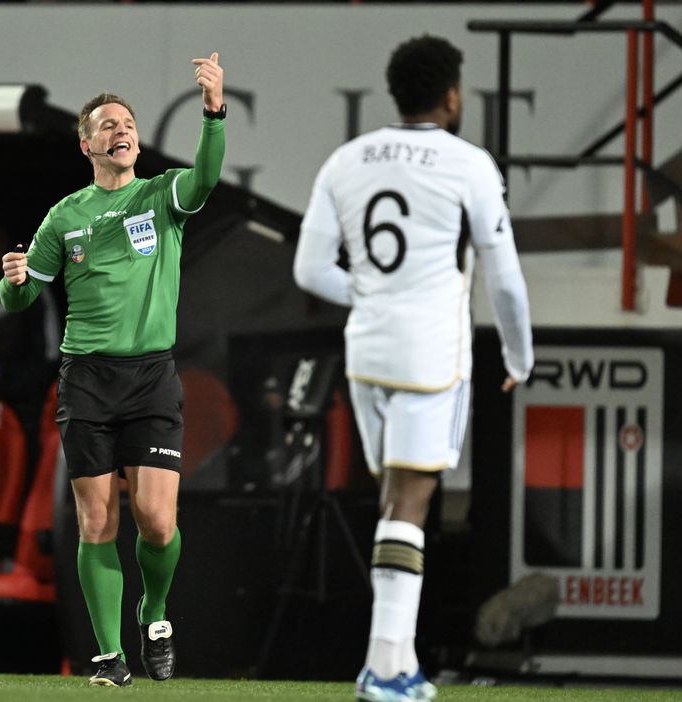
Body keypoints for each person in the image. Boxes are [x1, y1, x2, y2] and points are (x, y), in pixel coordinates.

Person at [292, 35, 533, 702]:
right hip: (432, 351)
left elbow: (310, 270)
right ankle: (385, 669)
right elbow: (504, 278)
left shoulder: (346, 160)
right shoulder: (468, 164)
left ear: (395, 94)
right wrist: (519, 354)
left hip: (366, 350)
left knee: (398, 503)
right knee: (411, 501)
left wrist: (370, 293)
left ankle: (394, 662)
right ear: (452, 96)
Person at [0, 53, 227, 687]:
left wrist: (213, 111)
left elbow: (206, 177)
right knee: (97, 520)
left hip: (151, 376)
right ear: (86, 144)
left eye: (127, 122)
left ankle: (153, 610)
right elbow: (20, 299)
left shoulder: (162, 196)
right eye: (107, 124)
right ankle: (108, 655)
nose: (121, 130)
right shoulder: (63, 218)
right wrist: (13, 282)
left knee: (157, 521)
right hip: (87, 379)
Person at [0, 222, 61, 475]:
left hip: (23, 406)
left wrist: (4, 394)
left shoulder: (30, 285)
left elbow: (51, 354)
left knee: (23, 470)